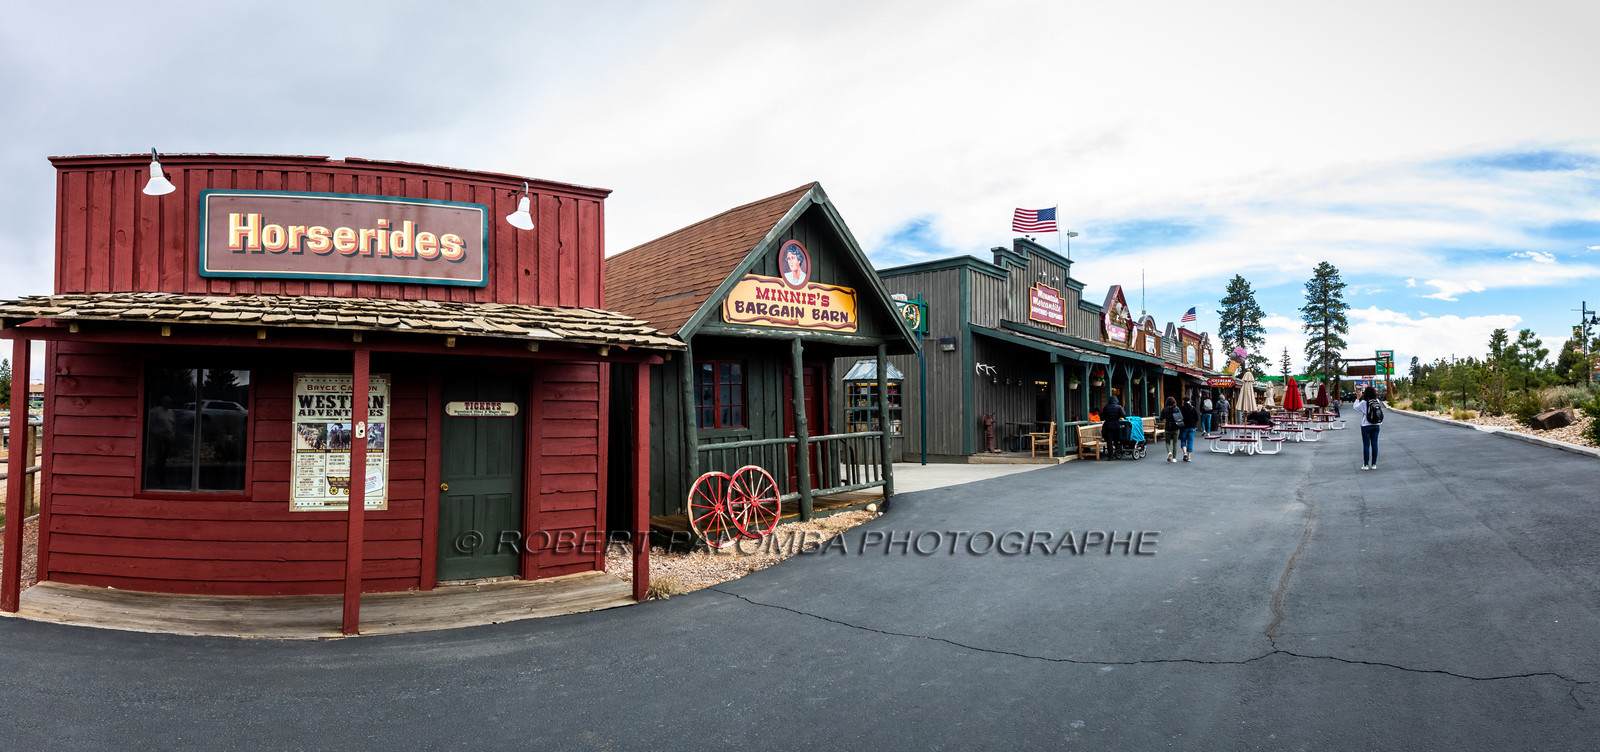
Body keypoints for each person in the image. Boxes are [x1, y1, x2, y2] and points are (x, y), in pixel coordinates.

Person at [1354, 386, 1383, 470]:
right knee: (1375, 444)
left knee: (1366, 445)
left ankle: (1366, 465)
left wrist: (1357, 398)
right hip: (1376, 425)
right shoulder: (1377, 401)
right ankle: (1374, 464)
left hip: (1366, 425)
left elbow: (1355, 408)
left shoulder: (1364, 402)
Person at [1158, 396, 1183, 462]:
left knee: (1167, 442)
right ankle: (1174, 458)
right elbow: (1181, 417)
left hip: (1168, 427)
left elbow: (1161, 418)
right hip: (1175, 427)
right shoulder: (1176, 408)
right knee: (1175, 442)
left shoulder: (1165, 409)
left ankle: (1169, 452)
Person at [1178, 397, 1200, 462]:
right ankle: (1189, 457)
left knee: (1183, 440)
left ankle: (1184, 453)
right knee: (1190, 441)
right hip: (1192, 427)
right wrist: (1194, 424)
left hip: (1184, 427)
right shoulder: (1193, 408)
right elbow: (1197, 418)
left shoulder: (1181, 408)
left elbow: (1178, 417)